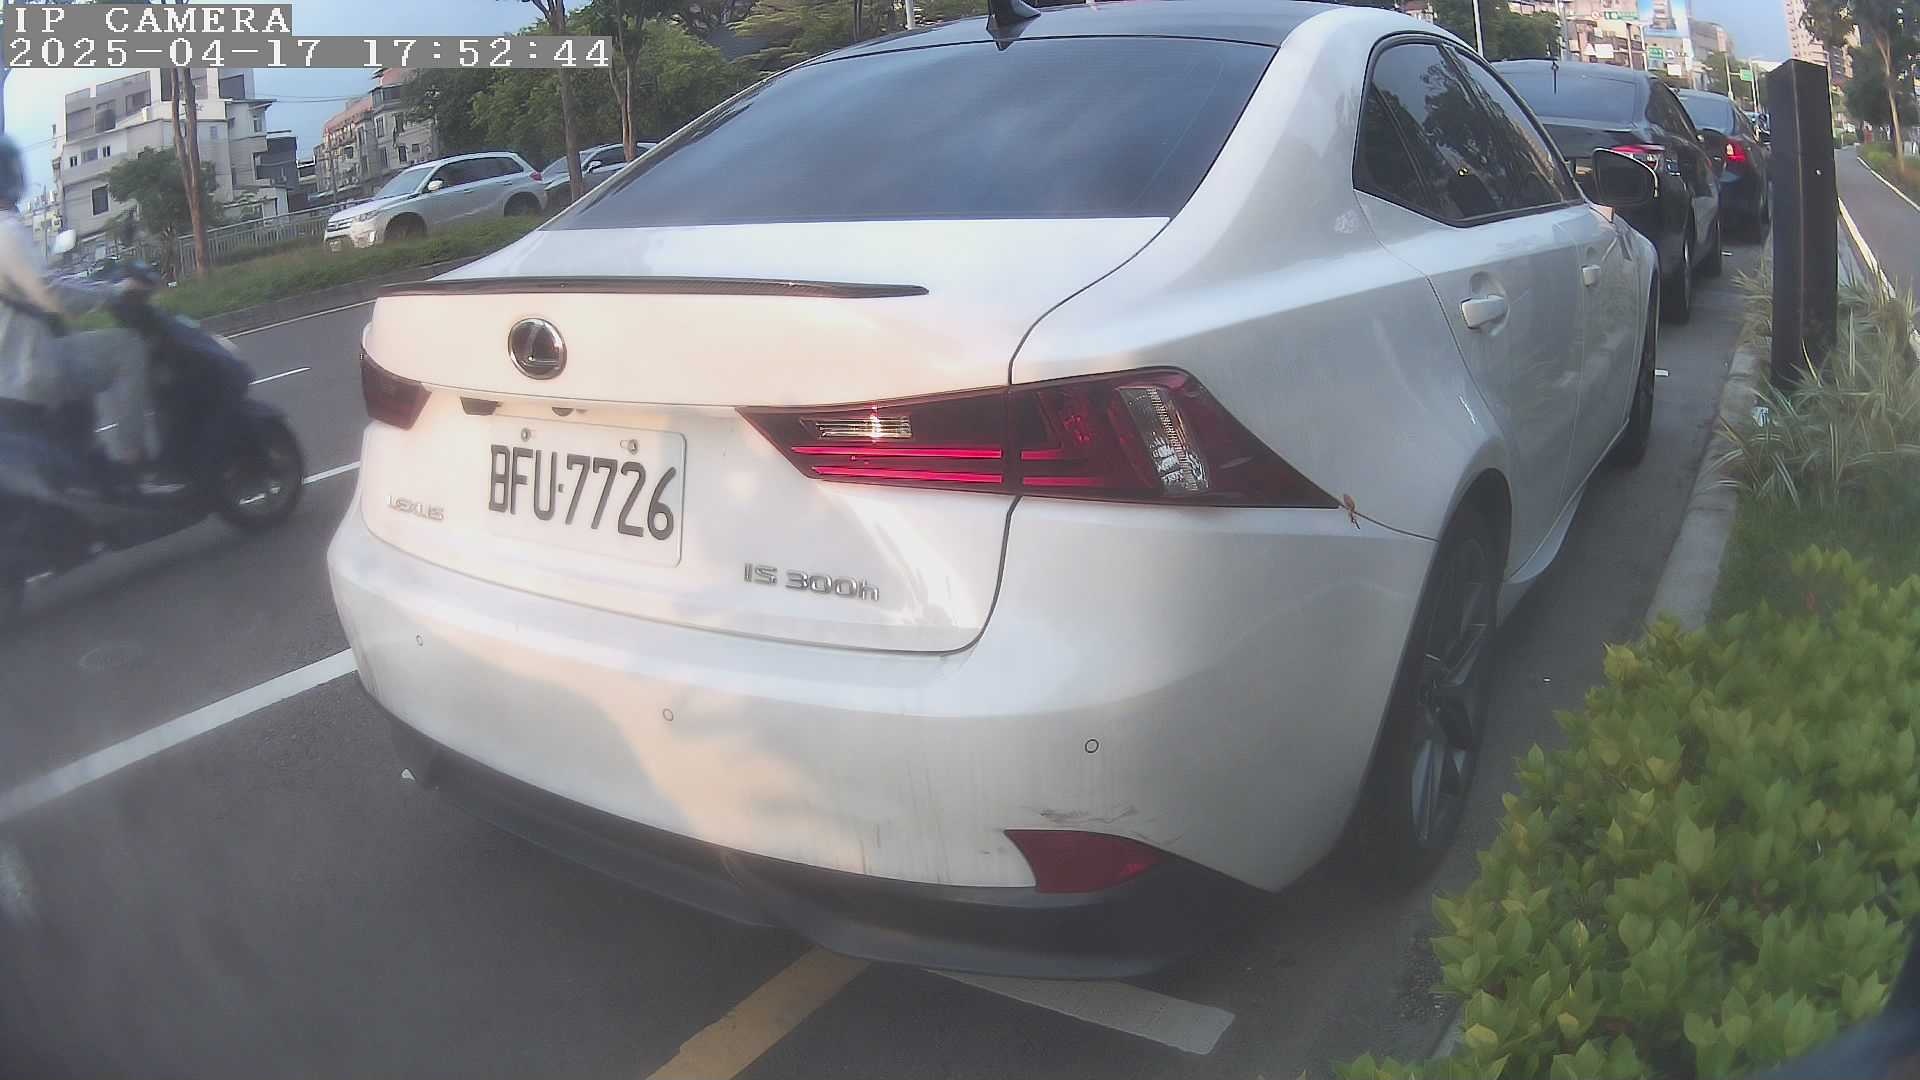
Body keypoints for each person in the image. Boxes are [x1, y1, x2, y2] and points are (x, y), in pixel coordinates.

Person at [0, 134, 173, 495]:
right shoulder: (8, 231)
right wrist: (114, 292)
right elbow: (49, 293)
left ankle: (88, 459)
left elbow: (41, 282)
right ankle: (131, 462)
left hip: (12, 368)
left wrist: (96, 285)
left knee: (86, 353)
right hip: (30, 368)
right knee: (126, 348)